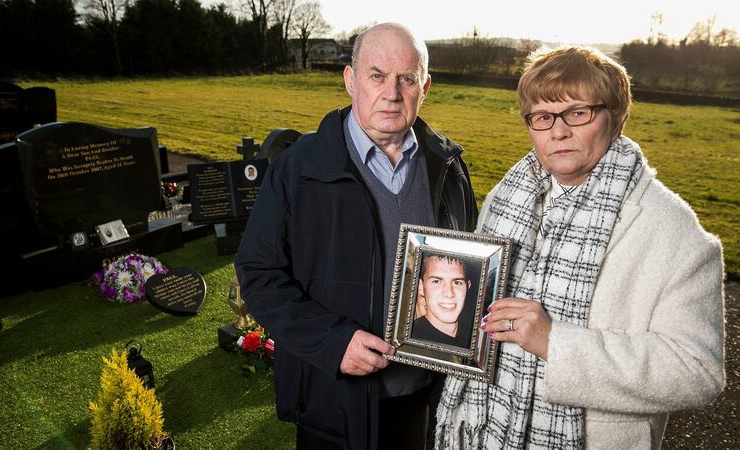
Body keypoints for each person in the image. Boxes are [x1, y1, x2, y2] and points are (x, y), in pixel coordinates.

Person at [434, 46, 725, 450]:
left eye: (577, 113)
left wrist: (556, 342)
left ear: (618, 117)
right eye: (543, 117)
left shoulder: (671, 230)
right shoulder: (507, 197)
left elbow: (698, 372)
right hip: (483, 431)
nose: (558, 131)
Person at [235, 23, 477, 450]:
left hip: (423, 397)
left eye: (407, 78)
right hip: (333, 398)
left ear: (426, 86)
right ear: (350, 80)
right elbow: (258, 275)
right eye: (377, 75)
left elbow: (467, 269)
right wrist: (332, 341)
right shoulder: (298, 170)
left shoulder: (449, 168)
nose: (392, 92)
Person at [412, 254, 471, 347]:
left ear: (468, 287)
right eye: (436, 281)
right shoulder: (408, 340)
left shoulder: (473, 343)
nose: (449, 293)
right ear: (420, 287)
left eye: (457, 282)